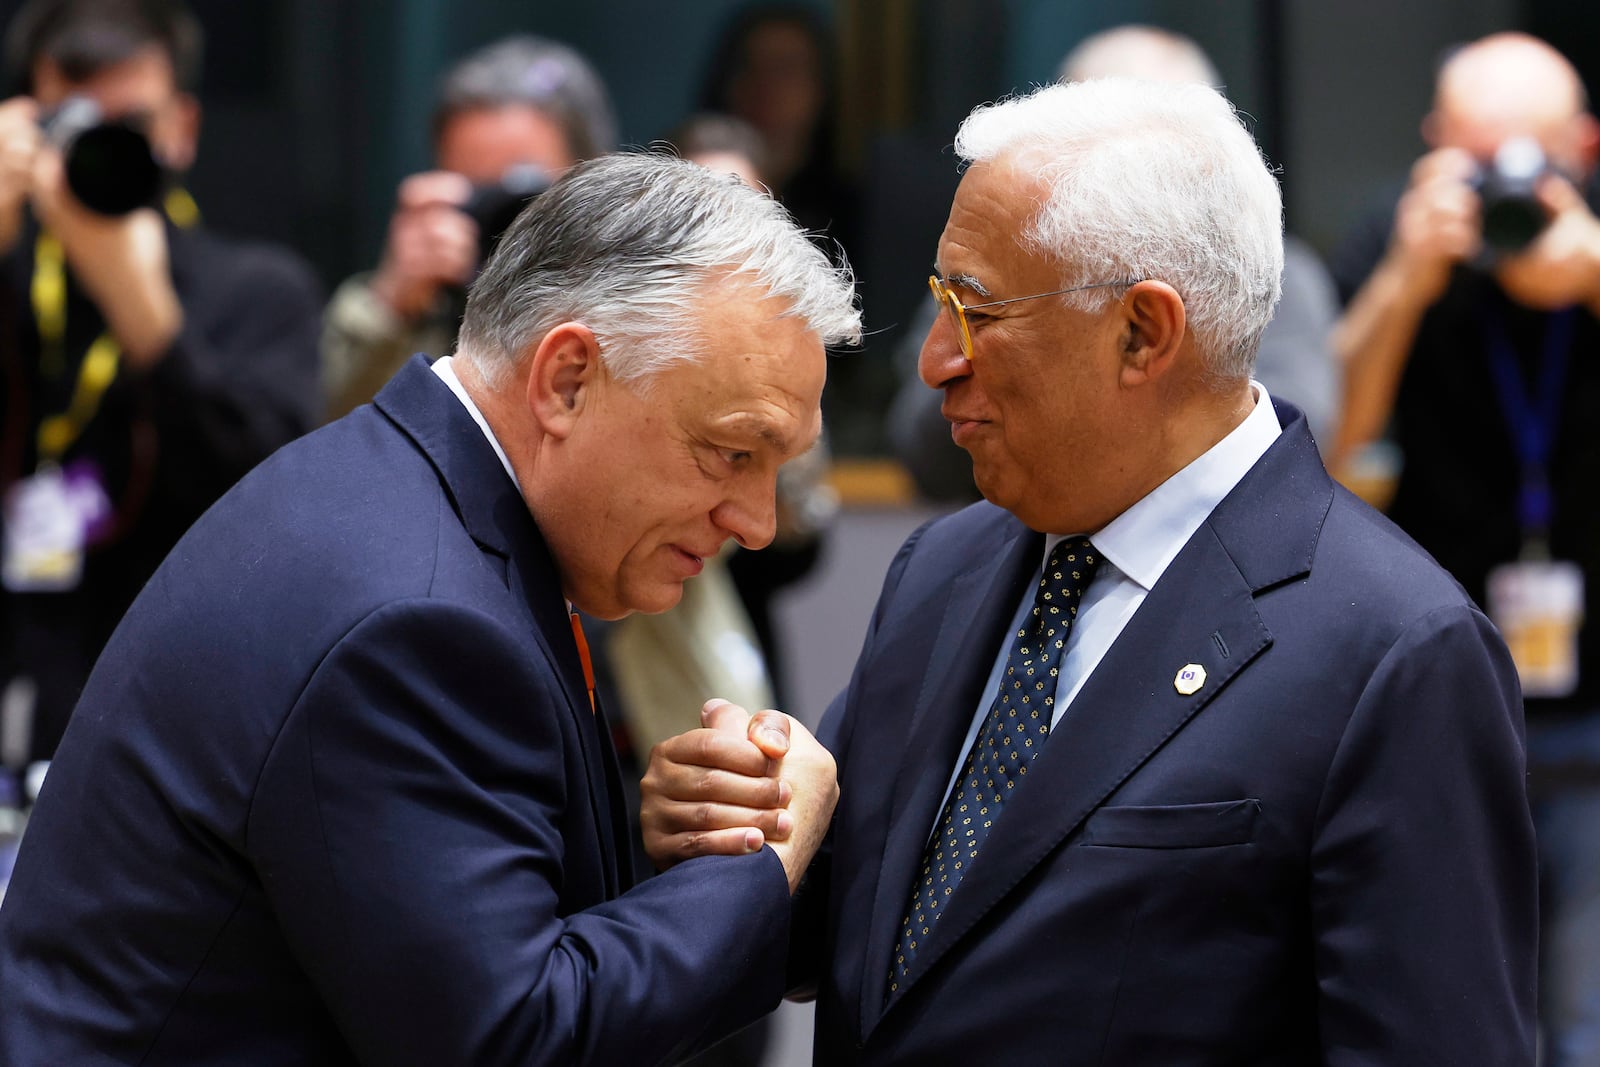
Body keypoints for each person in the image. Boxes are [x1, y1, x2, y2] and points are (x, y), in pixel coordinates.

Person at [642, 78, 1537, 1063]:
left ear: (1142, 333)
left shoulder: (1392, 648)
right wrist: (738, 822)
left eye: (976, 309)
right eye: (940, 302)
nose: (937, 358)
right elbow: (869, 929)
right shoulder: (944, 566)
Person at [0, 152, 859, 1065]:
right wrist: (763, 860)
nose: (758, 523)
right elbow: (515, 1040)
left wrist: (673, 859)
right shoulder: (417, 618)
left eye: (780, 467)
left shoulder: (401, 494)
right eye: (731, 452)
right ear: (567, 380)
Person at [1328, 31, 1600, 1066]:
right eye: (1481, 164)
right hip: (1444, 698)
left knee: (1581, 1020)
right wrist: (1406, 278)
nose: (1509, 197)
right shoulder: (1394, 245)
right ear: (1436, 146)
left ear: (1582, 145)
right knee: (1451, 1014)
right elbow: (1326, 434)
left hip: (1593, 715)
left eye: (1532, 163)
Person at [0, 0, 322, 768]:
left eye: (131, 126)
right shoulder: (7, 276)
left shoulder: (256, 290)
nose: (99, 151)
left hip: (183, 721)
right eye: (70, 125)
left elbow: (273, 517)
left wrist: (150, 324)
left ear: (182, 127)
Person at [889, 24, 1340, 504]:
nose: (935, 364)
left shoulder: (1281, 277)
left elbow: (1289, 446)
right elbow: (922, 449)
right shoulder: (983, 262)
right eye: (1071, 137)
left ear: (1144, 332)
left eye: (1138, 152)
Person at [321, 34, 615, 420]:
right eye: (475, 193)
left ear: (596, 179)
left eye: (522, 193)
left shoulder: (647, 299)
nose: (502, 224)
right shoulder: (421, 310)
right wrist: (391, 310)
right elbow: (336, 436)